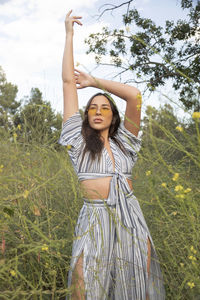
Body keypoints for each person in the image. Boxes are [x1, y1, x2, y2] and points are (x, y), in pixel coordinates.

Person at [58, 10, 165, 300]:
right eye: (92, 107)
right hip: (93, 220)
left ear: (114, 117)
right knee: (83, 285)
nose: (98, 111)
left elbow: (134, 96)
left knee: (134, 286)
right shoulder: (76, 142)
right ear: (85, 115)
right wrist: (68, 35)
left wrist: (95, 82)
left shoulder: (126, 144)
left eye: (105, 107)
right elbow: (68, 83)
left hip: (130, 218)